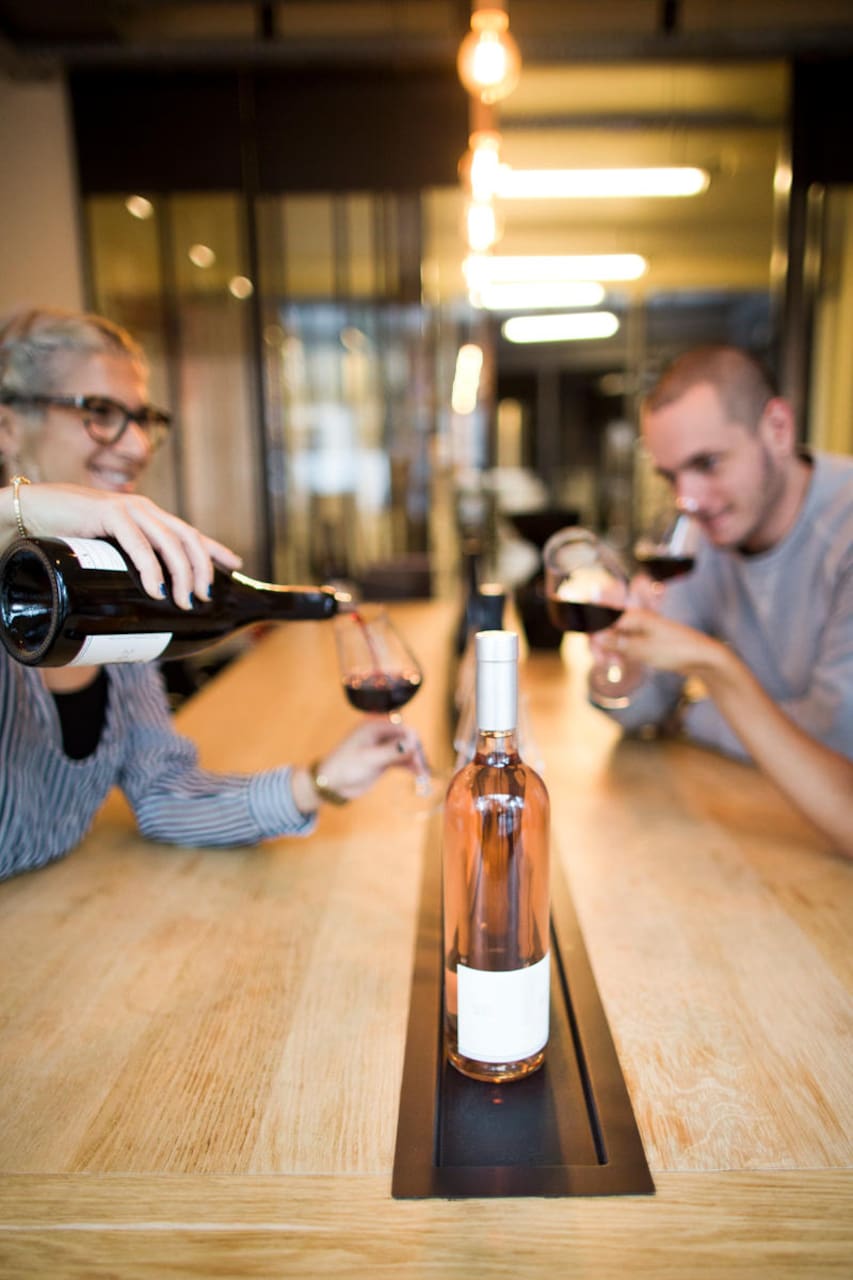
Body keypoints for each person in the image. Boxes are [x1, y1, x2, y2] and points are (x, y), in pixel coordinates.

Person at [0, 307, 419, 881]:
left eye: (143, 419)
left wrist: (321, 781)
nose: (138, 446)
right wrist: (27, 506)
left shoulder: (116, 594)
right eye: (100, 412)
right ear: (7, 428)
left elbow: (162, 793)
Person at [597, 344, 853, 766]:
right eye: (670, 476)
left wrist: (692, 715)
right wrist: (620, 666)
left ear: (777, 428)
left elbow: (837, 738)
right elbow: (643, 709)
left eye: (708, 463)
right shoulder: (705, 540)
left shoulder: (841, 532)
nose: (686, 500)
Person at [600, 608, 853, 857]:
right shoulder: (706, 567)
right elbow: (644, 707)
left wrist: (707, 686)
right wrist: (616, 665)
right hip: (761, 797)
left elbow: (832, 742)